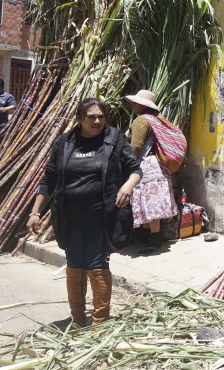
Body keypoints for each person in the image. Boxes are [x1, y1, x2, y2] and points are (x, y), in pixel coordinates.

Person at [27, 98, 142, 327]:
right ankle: (79, 320)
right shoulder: (64, 142)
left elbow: (134, 169)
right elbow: (48, 178)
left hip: (101, 216)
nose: (97, 121)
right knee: (74, 265)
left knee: (98, 265)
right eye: (91, 116)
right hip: (71, 217)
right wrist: (35, 212)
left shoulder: (114, 138)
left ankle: (99, 321)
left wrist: (128, 185)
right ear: (80, 118)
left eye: (101, 116)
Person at [124, 90, 179, 255]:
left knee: (150, 204)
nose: (133, 105)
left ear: (142, 105)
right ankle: (150, 238)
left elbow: (136, 147)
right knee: (154, 203)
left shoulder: (142, 120)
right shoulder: (159, 120)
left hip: (146, 166)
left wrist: (126, 163)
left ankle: (154, 241)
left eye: (136, 103)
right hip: (158, 166)